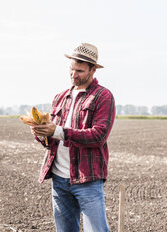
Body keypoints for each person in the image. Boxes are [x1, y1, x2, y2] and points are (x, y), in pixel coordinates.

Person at [32, 43, 116, 232]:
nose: (73, 75)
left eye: (79, 70)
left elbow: (98, 135)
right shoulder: (60, 97)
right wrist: (41, 134)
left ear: (93, 69)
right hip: (59, 179)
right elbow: (51, 141)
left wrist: (57, 131)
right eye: (71, 69)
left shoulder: (103, 96)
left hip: (87, 179)